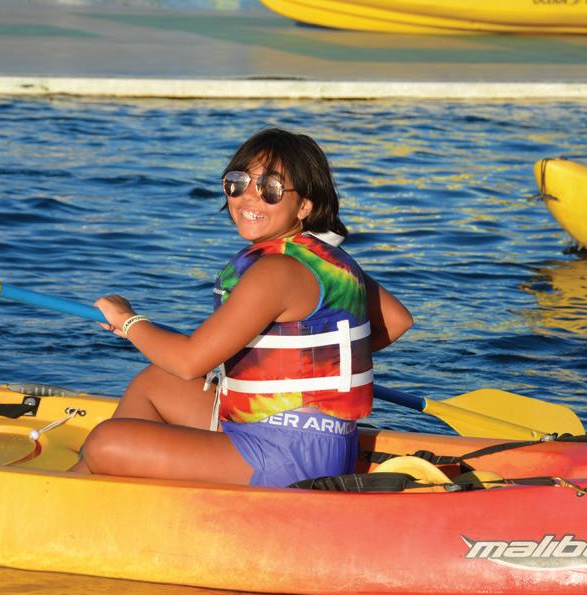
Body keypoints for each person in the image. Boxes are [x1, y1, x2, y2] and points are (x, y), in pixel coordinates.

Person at [72, 128, 413, 487]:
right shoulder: (326, 260)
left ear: (305, 205)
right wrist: (295, 369)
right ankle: (87, 489)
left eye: (271, 188)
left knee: (105, 441)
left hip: (287, 457)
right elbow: (396, 320)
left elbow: (188, 362)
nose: (249, 197)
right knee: (154, 384)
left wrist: (127, 320)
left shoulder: (276, 271)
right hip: (323, 444)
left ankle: (70, 492)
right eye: (238, 183)